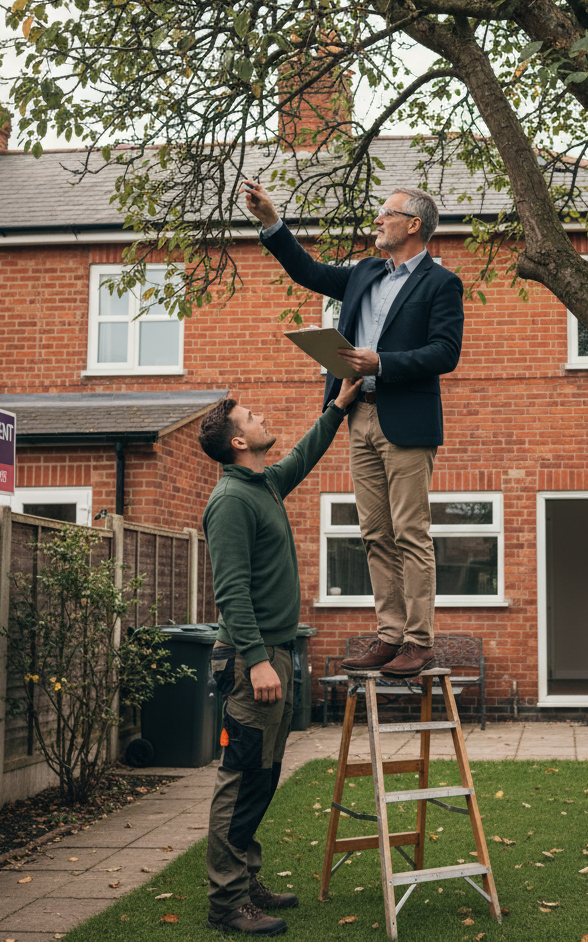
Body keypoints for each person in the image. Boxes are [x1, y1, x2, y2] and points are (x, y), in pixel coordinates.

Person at [243, 180, 465, 680]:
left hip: (405, 421)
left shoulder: (440, 283)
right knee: (373, 533)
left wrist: (381, 361)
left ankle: (419, 641)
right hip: (356, 413)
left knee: (410, 531)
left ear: (414, 224)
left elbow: (445, 353)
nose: (377, 221)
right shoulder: (365, 271)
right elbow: (308, 271)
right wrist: (271, 222)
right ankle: (390, 636)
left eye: (386, 214)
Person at [199, 378, 360, 936]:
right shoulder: (229, 502)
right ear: (238, 443)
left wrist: (337, 408)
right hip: (252, 660)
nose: (260, 417)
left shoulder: (262, 484)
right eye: (250, 416)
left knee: (263, 776)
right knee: (240, 777)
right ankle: (227, 903)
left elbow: (303, 455)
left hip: (274, 652)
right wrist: (257, 659)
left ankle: (245, 878)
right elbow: (231, 590)